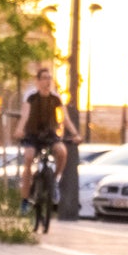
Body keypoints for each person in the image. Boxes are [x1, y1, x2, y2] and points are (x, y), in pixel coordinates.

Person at [17, 65, 78, 206]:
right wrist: (19, 130)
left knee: (62, 152)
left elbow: (65, 119)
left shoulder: (56, 97)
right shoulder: (30, 96)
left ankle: (54, 181)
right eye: (44, 78)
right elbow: (24, 115)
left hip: (50, 134)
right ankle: (25, 200)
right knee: (29, 157)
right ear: (37, 81)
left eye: (49, 78)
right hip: (32, 134)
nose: (47, 81)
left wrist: (75, 134)